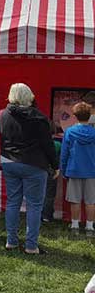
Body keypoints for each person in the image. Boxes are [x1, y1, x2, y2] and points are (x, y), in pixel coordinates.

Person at [0, 83, 58, 254]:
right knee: (34, 205)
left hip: (9, 163)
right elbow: (48, 145)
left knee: (13, 202)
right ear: (30, 97)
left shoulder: (2, 114)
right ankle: (31, 246)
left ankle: (11, 241)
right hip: (35, 165)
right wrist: (55, 166)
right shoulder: (39, 118)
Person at [61, 102, 95, 237]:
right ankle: (90, 227)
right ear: (90, 115)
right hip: (92, 171)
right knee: (91, 201)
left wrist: (63, 170)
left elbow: (64, 153)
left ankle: (75, 225)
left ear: (74, 116)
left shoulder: (70, 131)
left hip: (74, 170)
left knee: (75, 200)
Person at [42, 120, 61, 223]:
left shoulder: (38, 143)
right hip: (52, 171)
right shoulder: (57, 144)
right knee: (49, 195)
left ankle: (39, 213)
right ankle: (46, 215)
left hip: (39, 169)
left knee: (38, 194)